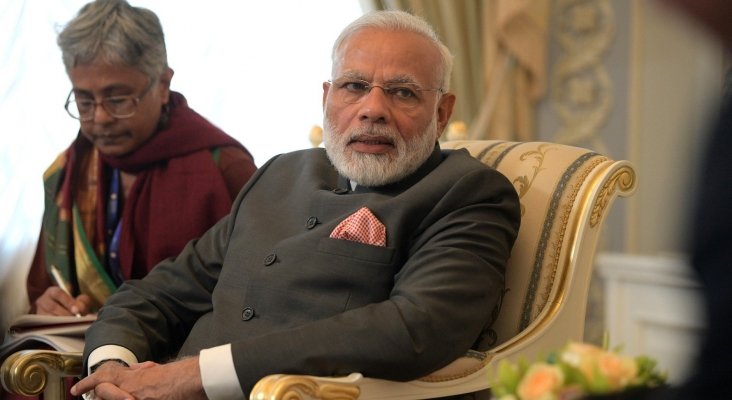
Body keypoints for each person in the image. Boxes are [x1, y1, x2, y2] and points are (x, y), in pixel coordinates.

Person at [70, 10, 521, 400]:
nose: (372, 109)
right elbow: (158, 293)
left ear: (442, 113)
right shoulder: (280, 174)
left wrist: (194, 376)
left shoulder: (467, 193)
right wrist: (113, 368)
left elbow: (415, 329)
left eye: (403, 92)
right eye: (354, 86)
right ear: (327, 99)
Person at [26, 0, 257, 317]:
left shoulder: (223, 167)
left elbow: (258, 294)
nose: (100, 118)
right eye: (84, 101)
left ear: (163, 85)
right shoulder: (70, 169)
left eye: (118, 99)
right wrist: (49, 304)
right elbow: (42, 287)